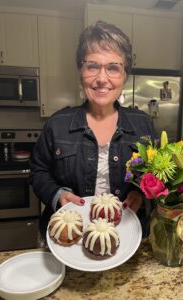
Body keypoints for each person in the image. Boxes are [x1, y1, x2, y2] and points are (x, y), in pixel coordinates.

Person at [30, 20, 158, 238]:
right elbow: (38, 172)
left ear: (124, 75)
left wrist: (141, 195)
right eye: (92, 66)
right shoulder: (57, 125)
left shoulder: (143, 125)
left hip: (128, 235)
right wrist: (57, 194)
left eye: (112, 68)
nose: (101, 78)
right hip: (69, 239)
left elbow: (156, 176)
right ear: (81, 70)